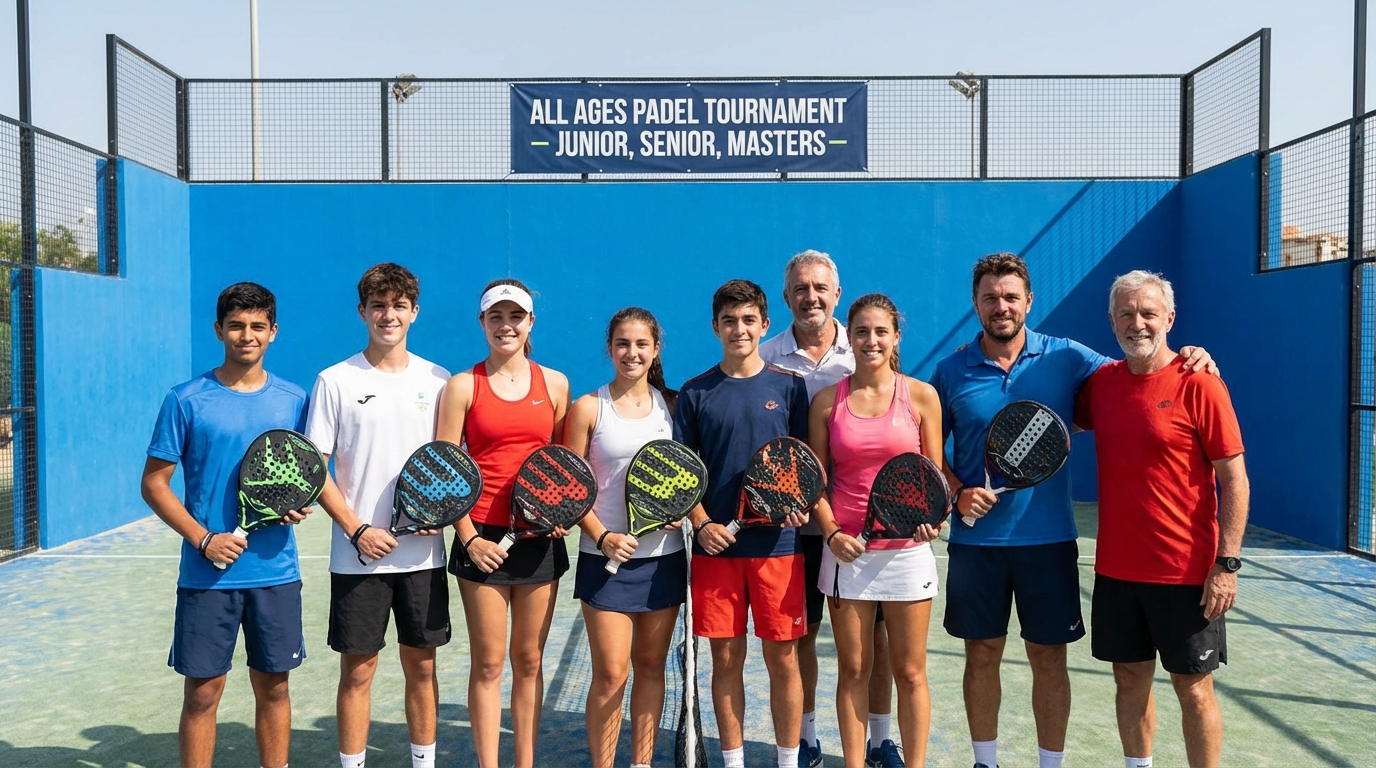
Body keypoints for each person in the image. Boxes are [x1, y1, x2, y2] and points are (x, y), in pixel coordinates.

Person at [930, 253, 1216, 768]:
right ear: (975, 303)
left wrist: (1190, 355)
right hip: (976, 545)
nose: (1001, 306)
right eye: (991, 297)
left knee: (1048, 658)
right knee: (981, 656)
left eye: (1011, 297)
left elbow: (1141, 369)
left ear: (1028, 302)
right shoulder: (951, 371)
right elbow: (928, 445)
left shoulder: (1068, 357)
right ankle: (985, 761)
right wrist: (956, 491)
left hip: (1050, 542)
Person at [1074, 271, 1248, 768]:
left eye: (1149, 313)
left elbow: (1234, 479)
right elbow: (1060, 418)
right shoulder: (1102, 385)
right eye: (1126, 314)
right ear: (1111, 322)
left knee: (1194, 690)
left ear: (1169, 318)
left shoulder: (1201, 384)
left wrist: (1227, 563)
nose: (1138, 323)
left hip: (1186, 573)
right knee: (1129, 680)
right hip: (1116, 571)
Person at [141, 282, 311, 768]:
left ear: (273, 332)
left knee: (274, 689)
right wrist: (204, 538)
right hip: (206, 575)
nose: (246, 335)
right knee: (202, 694)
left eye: (258, 326)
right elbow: (154, 483)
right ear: (219, 330)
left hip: (275, 572)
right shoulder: (185, 399)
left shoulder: (294, 400)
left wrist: (296, 505)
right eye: (236, 325)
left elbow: (300, 478)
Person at [304, 264, 451, 768]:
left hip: (423, 555)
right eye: (379, 305)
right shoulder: (335, 380)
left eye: (399, 305)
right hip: (357, 556)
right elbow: (314, 466)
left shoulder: (438, 380)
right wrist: (357, 528)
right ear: (363, 311)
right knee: (358, 672)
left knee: (423, 669)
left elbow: (448, 462)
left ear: (415, 312)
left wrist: (441, 513)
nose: (389, 315)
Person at [760, 250, 901, 767]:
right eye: (800, 288)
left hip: (863, 525)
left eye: (820, 287)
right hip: (795, 525)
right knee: (803, 633)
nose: (811, 296)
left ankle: (881, 738)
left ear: (836, 295)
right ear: (787, 296)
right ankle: (807, 735)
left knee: (876, 641)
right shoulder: (767, 354)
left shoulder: (864, 348)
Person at [435, 278, 573, 768]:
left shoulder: (555, 385)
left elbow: (562, 469)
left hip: (538, 539)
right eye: (496, 317)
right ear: (482, 323)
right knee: (490, 663)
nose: (506, 325)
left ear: (530, 323)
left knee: (529, 662)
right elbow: (443, 474)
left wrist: (560, 517)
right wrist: (470, 540)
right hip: (481, 538)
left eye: (516, 317)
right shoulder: (461, 386)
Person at [676, 279, 812, 768]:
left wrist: (799, 503)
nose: (739, 329)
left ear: (764, 324)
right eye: (729, 321)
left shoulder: (790, 387)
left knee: (783, 660)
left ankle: (788, 760)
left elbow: (803, 464)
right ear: (715, 327)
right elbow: (682, 474)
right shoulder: (694, 393)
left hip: (779, 549)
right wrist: (700, 521)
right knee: (726, 661)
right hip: (717, 551)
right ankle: (733, 762)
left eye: (749, 319)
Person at [808, 293, 944, 768]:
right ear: (850, 336)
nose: (871, 340)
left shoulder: (921, 396)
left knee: (909, 672)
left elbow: (934, 480)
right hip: (847, 554)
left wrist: (932, 521)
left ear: (895, 337)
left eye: (880, 331)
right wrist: (830, 534)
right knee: (854, 669)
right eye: (861, 331)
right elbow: (816, 483)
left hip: (907, 555)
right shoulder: (828, 401)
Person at [565, 307, 684, 768]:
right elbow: (568, 485)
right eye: (622, 344)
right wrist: (602, 536)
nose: (631, 353)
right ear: (609, 348)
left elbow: (683, 479)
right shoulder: (588, 408)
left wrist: (677, 513)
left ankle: (641, 763)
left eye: (641, 344)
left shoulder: (672, 407)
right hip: (604, 559)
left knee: (652, 669)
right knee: (612, 674)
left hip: (663, 561)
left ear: (656, 349)